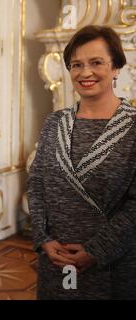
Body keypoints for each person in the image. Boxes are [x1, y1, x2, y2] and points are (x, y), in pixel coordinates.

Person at [28, 25, 136, 300]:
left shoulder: (133, 126)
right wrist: (43, 239)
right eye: (76, 64)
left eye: (96, 62)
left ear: (116, 67)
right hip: (56, 259)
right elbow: (37, 183)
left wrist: (97, 250)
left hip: (112, 262)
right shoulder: (55, 122)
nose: (85, 72)